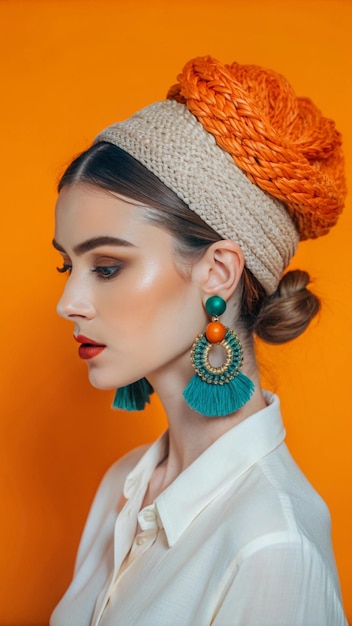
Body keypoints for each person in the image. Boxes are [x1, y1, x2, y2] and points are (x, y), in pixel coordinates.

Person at [50, 56, 348, 625]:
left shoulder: (273, 546)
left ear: (218, 273)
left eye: (107, 266)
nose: (69, 303)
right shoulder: (124, 484)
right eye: (68, 266)